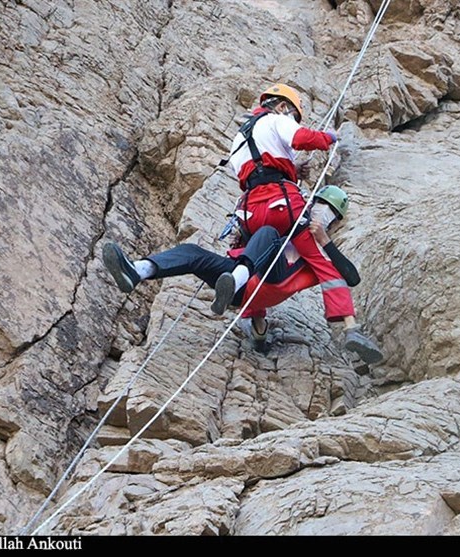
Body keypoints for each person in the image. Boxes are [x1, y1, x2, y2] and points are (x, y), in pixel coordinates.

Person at [102, 185, 384, 365]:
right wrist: (259, 334)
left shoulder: (316, 261)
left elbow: (350, 277)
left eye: (330, 215)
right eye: (320, 208)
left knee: (267, 237)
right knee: (193, 253)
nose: (323, 216)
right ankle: (138, 271)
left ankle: (246, 297)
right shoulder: (284, 229)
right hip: (238, 286)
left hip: (266, 280)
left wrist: (324, 241)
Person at [218, 84, 370, 355]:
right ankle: (350, 326)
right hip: (282, 206)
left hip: (251, 210)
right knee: (323, 265)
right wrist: (328, 137)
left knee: (252, 258)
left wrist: (292, 170)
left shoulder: (239, 138)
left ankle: (258, 325)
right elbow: (301, 139)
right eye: (291, 113)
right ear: (282, 106)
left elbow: (259, 170)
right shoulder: (278, 119)